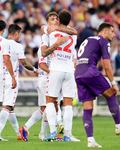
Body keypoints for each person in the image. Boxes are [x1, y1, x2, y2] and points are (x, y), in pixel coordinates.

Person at [19, 12, 77, 142]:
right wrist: (55, 73)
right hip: (47, 76)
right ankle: (33, 129)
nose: (55, 21)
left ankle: (44, 132)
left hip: (56, 74)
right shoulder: (46, 37)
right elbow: (42, 64)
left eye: (57, 19)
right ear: (47, 22)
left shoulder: (58, 34)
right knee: (49, 106)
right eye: (52, 19)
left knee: (50, 106)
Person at [75, 23, 120, 148]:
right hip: (90, 71)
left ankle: (90, 141)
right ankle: (119, 126)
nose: (114, 34)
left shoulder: (88, 39)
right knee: (111, 94)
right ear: (105, 31)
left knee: (87, 108)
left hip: (78, 74)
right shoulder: (104, 41)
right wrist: (113, 83)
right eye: (112, 31)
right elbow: (107, 66)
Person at [0, 24, 38, 141]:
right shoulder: (17, 46)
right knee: (7, 106)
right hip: (10, 78)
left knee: (11, 106)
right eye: (20, 34)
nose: (20, 36)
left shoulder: (2, 43)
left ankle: (18, 133)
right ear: (16, 33)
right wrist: (34, 70)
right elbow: (24, 63)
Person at [41, 10, 77, 142]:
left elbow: (46, 29)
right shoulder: (73, 36)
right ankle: (67, 135)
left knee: (50, 101)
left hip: (56, 70)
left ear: (59, 20)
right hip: (69, 71)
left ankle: (52, 132)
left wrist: (56, 29)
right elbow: (73, 31)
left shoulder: (52, 32)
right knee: (68, 104)